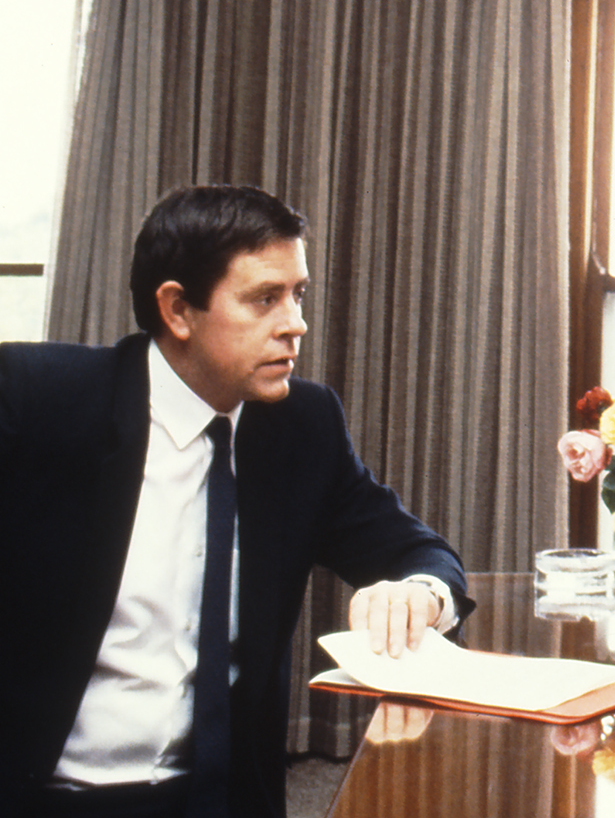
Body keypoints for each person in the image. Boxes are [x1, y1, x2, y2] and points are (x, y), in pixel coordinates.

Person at [0, 185, 473, 818]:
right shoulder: (40, 402)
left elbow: (421, 551)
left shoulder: (302, 427)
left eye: (298, 294)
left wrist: (422, 592)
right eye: (264, 299)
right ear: (177, 310)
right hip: (46, 795)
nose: (295, 323)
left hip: (221, 800)